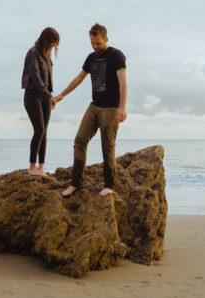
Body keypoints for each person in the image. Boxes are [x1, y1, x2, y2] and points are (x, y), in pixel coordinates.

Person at [53, 23, 127, 197]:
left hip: (111, 108)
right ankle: (75, 183)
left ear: (106, 39)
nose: (95, 46)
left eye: (98, 43)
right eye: (92, 43)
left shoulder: (117, 56)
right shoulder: (91, 57)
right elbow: (79, 78)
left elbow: (123, 82)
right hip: (94, 106)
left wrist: (122, 107)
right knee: (79, 140)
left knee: (107, 147)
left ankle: (109, 185)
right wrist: (62, 95)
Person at [22, 27, 60, 176]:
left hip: (45, 97)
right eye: (52, 42)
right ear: (45, 39)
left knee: (44, 132)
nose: (53, 46)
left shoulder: (47, 56)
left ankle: (41, 167)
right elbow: (36, 79)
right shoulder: (33, 53)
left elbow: (47, 79)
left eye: (55, 44)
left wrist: (49, 97)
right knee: (39, 130)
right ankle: (32, 166)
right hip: (32, 95)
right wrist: (49, 96)